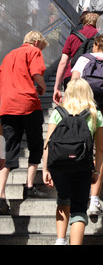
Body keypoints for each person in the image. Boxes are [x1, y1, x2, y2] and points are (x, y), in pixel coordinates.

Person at [43, 78, 103, 245]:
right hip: (82, 165)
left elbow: (47, 143)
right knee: (78, 207)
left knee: (63, 199)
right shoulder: (95, 114)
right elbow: (100, 149)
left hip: (59, 165)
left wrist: (45, 169)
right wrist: (97, 171)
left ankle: (60, 240)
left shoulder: (58, 112)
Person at [71, 34, 103, 216]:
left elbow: (73, 83)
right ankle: (94, 201)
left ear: (95, 45)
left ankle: (78, 194)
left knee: (77, 150)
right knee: (99, 156)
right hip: (102, 111)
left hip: (80, 109)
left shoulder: (84, 59)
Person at [0, 31, 48, 213]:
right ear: (36, 42)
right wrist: (42, 86)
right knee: (36, 145)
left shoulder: (8, 56)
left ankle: (1, 195)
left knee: (8, 150)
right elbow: (37, 73)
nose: (40, 50)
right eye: (41, 47)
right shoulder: (33, 51)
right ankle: (29, 187)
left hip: (6, 106)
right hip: (27, 104)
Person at [53, 12, 99, 104]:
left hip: (71, 76)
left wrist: (56, 87)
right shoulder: (100, 37)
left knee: (71, 107)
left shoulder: (72, 37)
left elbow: (63, 62)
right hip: (92, 77)